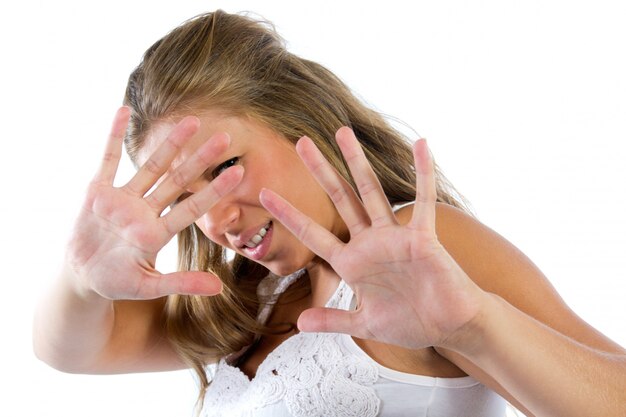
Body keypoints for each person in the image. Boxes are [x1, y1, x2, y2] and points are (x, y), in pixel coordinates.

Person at [33, 9, 625, 417]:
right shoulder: (253, 298)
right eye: (186, 196)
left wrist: (472, 325)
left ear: (298, 123)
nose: (215, 219)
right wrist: (81, 281)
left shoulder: (423, 247)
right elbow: (70, 351)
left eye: (223, 167)